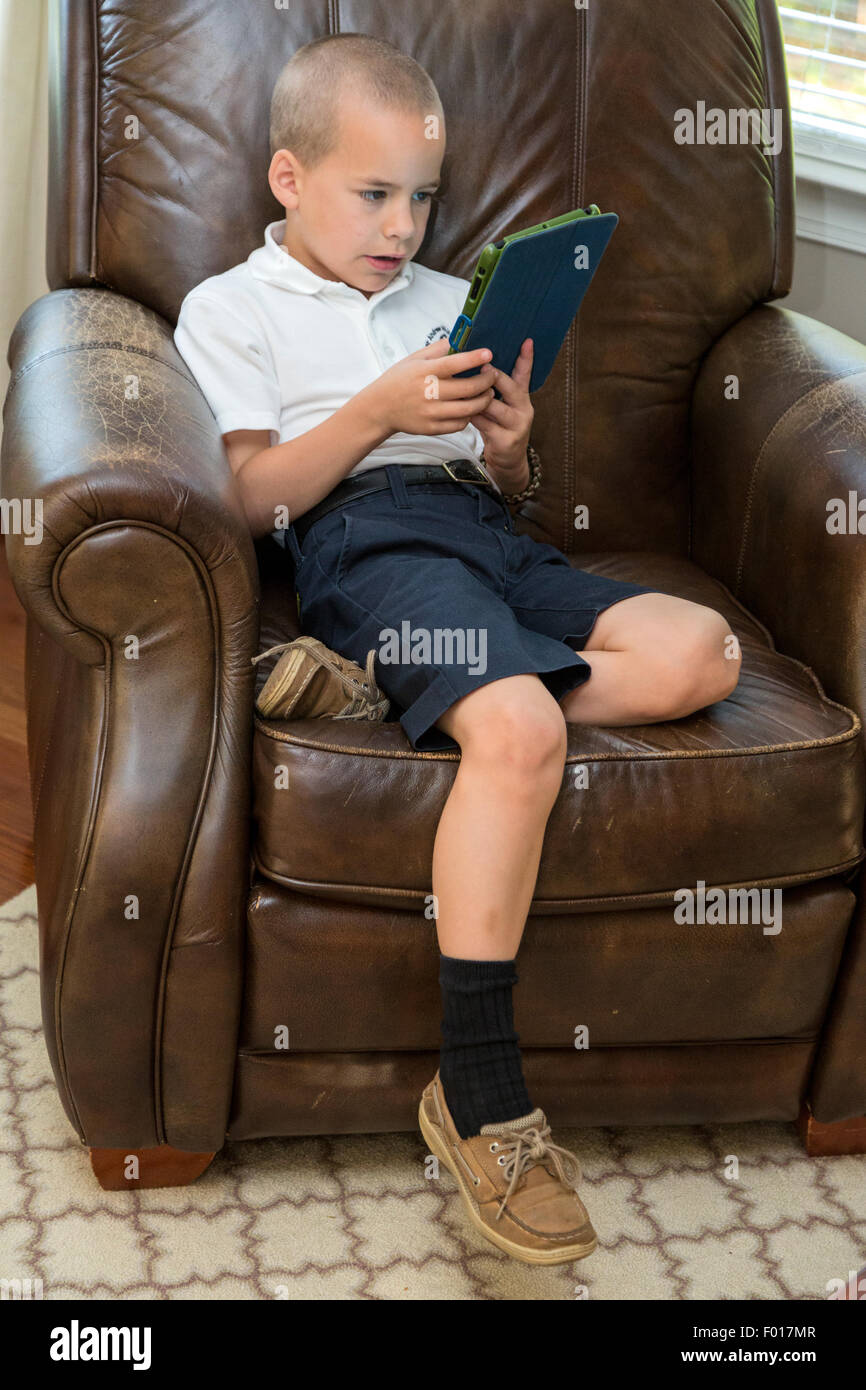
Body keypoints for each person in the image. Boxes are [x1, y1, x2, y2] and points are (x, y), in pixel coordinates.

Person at [173, 32, 742, 1266]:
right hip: (365, 543)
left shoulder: (448, 304)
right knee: (523, 728)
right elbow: (252, 501)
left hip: (482, 535)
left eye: (421, 197)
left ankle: (401, 690)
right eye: (371, 193)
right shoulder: (233, 307)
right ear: (287, 177)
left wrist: (508, 449)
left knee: (701, 654)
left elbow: (517, 494)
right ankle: (479, 1094)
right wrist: (375, 411)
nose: (401, 225)